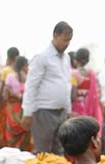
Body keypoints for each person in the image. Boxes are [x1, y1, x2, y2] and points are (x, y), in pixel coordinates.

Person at [21, 21, 73, 155]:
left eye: (69, 41)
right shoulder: (42, 57)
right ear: (55, 35)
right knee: (43, 152)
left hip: (61, 112)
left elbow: (66, 83)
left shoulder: (66, 58)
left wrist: (68, 109)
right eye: (65, 40)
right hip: (44, 112)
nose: (67, 44)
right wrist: (27, 113)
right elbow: (31, 86)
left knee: (59, 151)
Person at [70, 48, 103, 129]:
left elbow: (73, 96)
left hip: (77, 109)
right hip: (90, 109)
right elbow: (98, 93)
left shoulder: (73, 74)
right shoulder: (91, 74)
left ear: (76, 59)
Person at [3, 56, 31, 150]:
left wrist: (14, 95)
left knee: (12, 130)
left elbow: (6, 94)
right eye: (27, 66)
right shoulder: (29, 77)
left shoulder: (10, 77)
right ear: (23, 66)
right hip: (25, 107)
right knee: (25, 129)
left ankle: (13, 151)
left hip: (13, 108)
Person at [0, 47, 20, 146]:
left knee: (7, 128)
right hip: (22, 105)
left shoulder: (6, 71)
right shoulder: (24, 70)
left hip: (8, 105)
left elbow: (0, 90)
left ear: (8, 57)